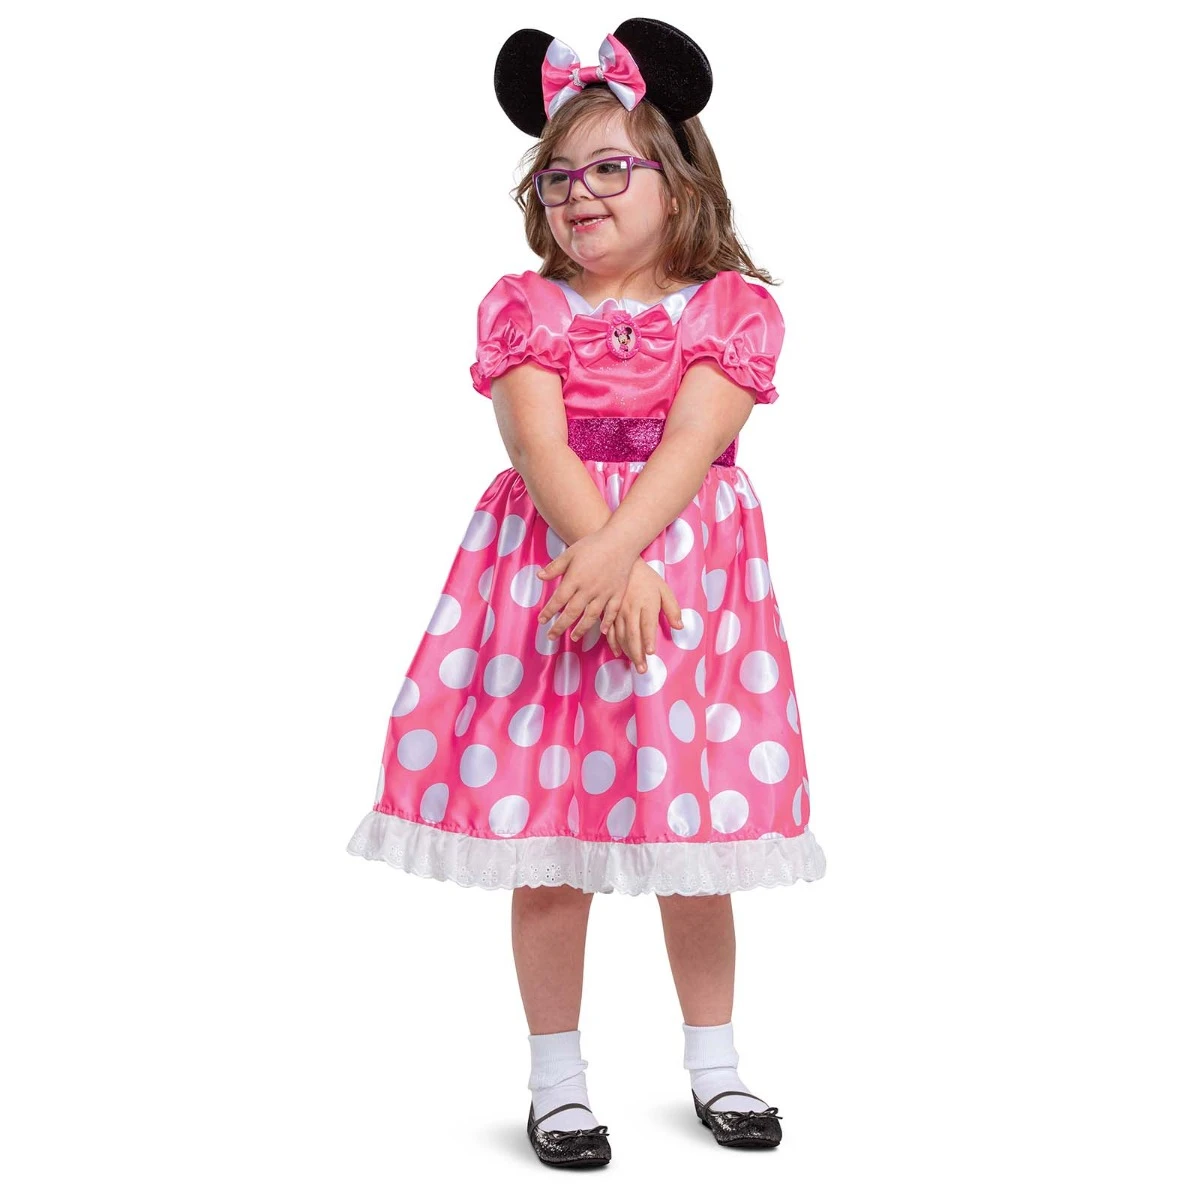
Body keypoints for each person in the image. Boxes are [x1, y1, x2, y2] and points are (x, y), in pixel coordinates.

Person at [345, 18, 827, 1166]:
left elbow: (696, 437)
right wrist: (601, 559)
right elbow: (536, 439)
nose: (580, 195)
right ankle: (556, 1082)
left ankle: (716, 1066)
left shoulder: (730, 308)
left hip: (683, 590)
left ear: (680, 178)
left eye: (610, 168)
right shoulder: (527, 305)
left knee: (692, 844)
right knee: (552, 845)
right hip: (558, 586)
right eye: (558, 177)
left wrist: (626, 554)